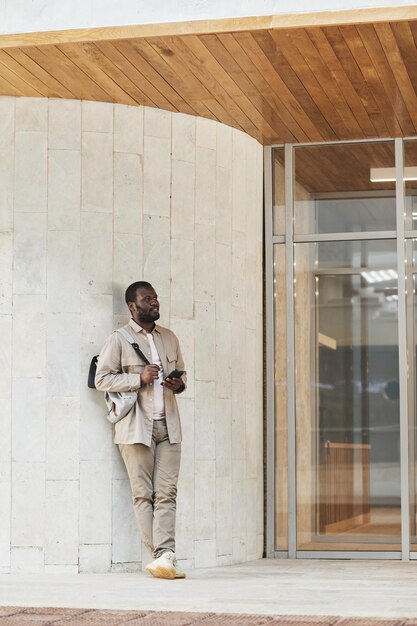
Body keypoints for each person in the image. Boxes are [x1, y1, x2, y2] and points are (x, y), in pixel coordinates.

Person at [95, 281, 186, 579]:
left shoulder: (169, 338)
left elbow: (182, 377)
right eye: (148, 299)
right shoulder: (118, 340)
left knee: (167, 493)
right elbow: (102, 380)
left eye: (156, 298)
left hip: (169, 426)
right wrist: (139, 379)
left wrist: (178, 384)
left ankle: (165, 556)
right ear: (132, 306)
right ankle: (163, 556)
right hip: (136, 428)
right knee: (143, 495)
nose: (154, 302)